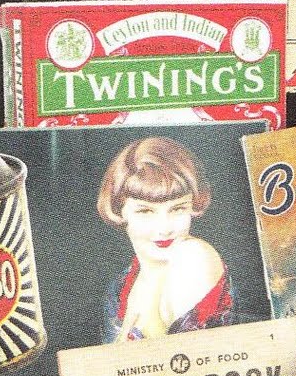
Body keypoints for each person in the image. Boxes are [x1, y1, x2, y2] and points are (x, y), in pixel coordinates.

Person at [97, 137, 232, 341]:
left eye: (178, 209)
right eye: (145, 211)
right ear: (119, 210)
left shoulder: (195, 257)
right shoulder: (122, 284)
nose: (164, 228)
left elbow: (182, 355)